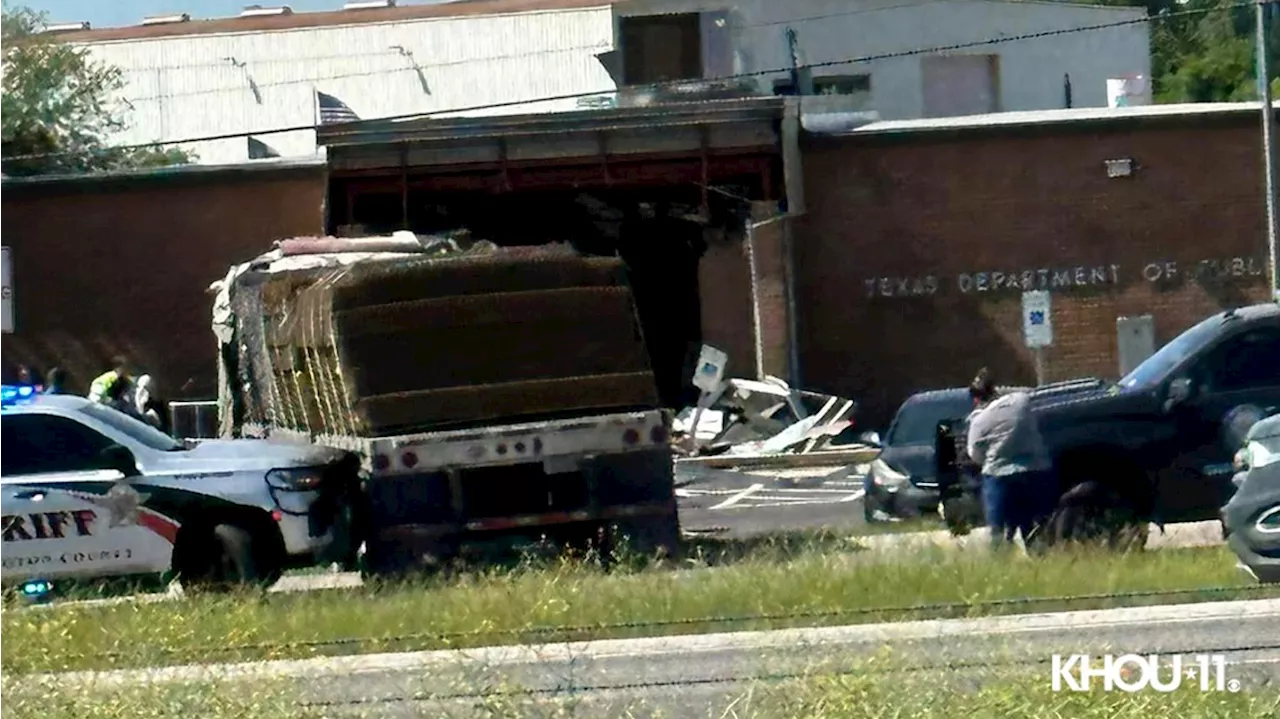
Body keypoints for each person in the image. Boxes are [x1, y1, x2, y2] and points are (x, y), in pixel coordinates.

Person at [965, 369, 1057, 551]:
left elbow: (974, 455)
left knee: (998, 531)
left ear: (976, 400)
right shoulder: (1020, 402)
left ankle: (1001, 562)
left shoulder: (980, 422)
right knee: (1034, 527)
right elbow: (1026, 391)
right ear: (995, 391)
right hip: (1035, 471)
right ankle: (1041, 559)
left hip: (999, 476)